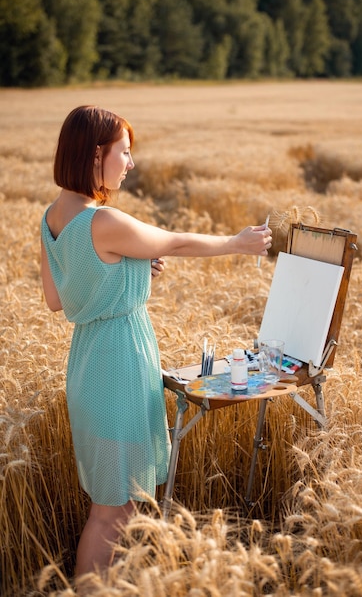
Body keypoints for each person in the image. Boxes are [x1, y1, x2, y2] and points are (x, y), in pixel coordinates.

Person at [40, 105, 272, 580]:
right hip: (118, 366)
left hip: (88, 361)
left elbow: (56, 300)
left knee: (112, 504)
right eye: (124, 152)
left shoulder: (52, 217)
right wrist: (236, 242)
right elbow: (176, 242)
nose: (130, 163)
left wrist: (127, 269)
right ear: (96, 153)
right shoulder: (102, 220)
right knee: (114, 512)